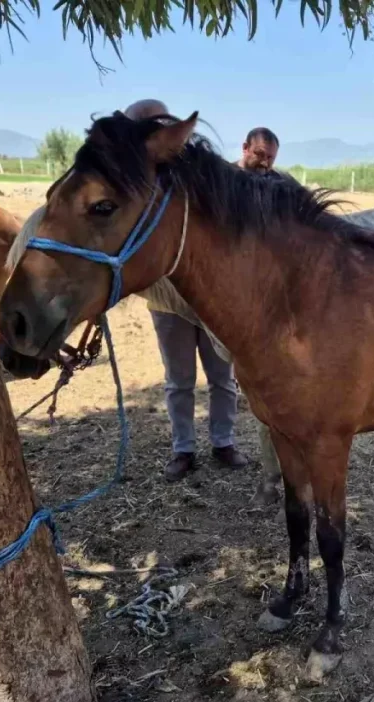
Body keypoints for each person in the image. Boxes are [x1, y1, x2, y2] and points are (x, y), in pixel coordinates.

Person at [124, 98, 250, 481]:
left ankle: (223, 442)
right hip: (166, 300)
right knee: (179, 381)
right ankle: (184, 450)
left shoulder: (204, 175)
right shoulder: (134, 186)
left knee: (222, 378)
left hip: (213, 300)